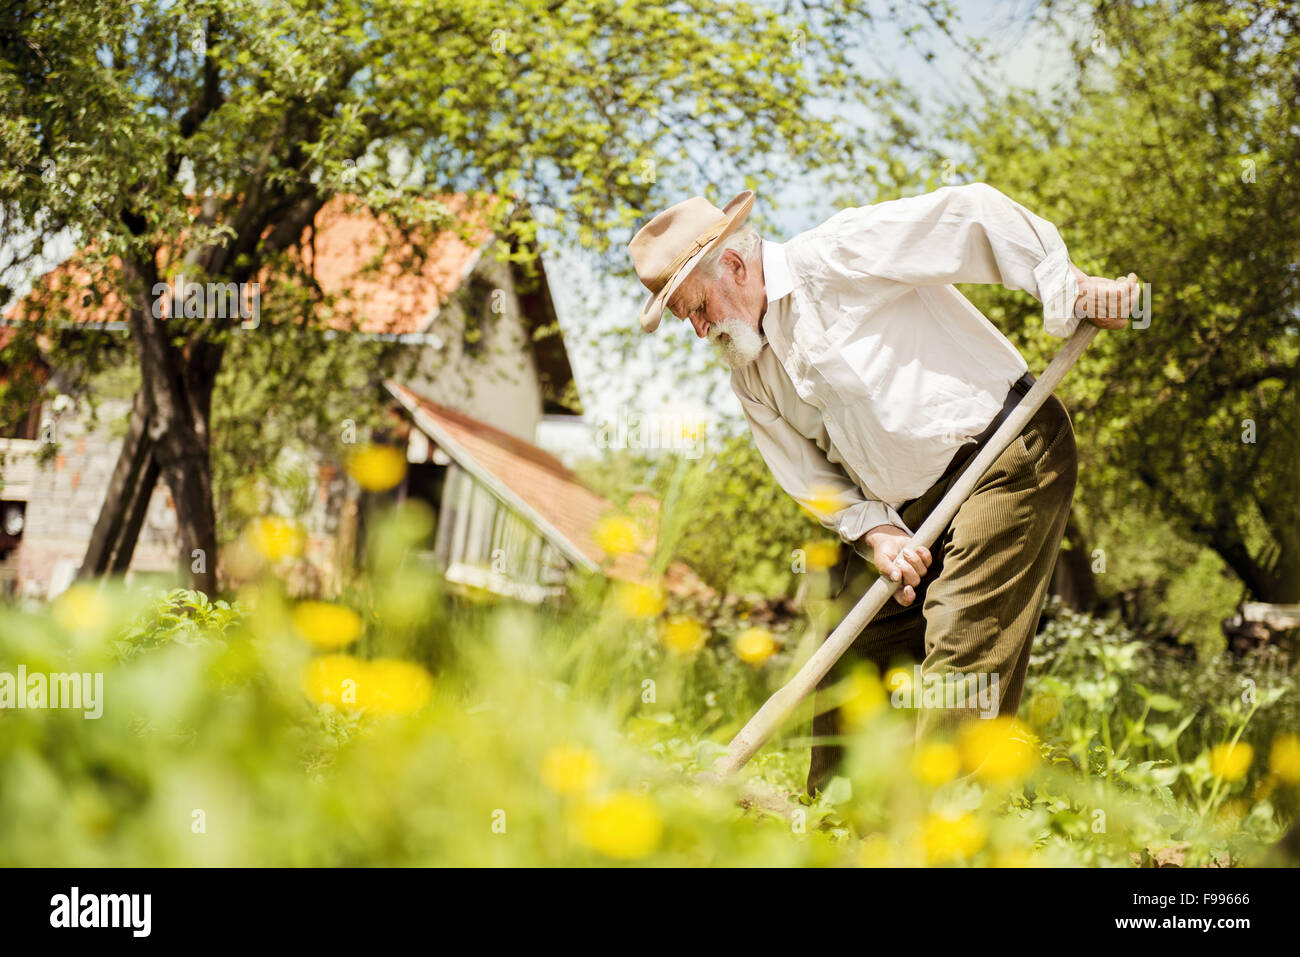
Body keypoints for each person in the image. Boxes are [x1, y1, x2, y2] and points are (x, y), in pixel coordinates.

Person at [626, 184, 1138, 795]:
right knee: (845, 662)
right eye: (688, 319)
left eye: (699, 307)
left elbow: (970, 216)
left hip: (1003, 452)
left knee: (961, 653)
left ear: (734, 265)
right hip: (905, 507)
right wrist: (874, 531)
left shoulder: (835, 256)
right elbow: (806, 474)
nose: (701, 329)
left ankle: (947, 838)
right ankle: (836, 831)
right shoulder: (750, 370)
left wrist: (1066, 286)